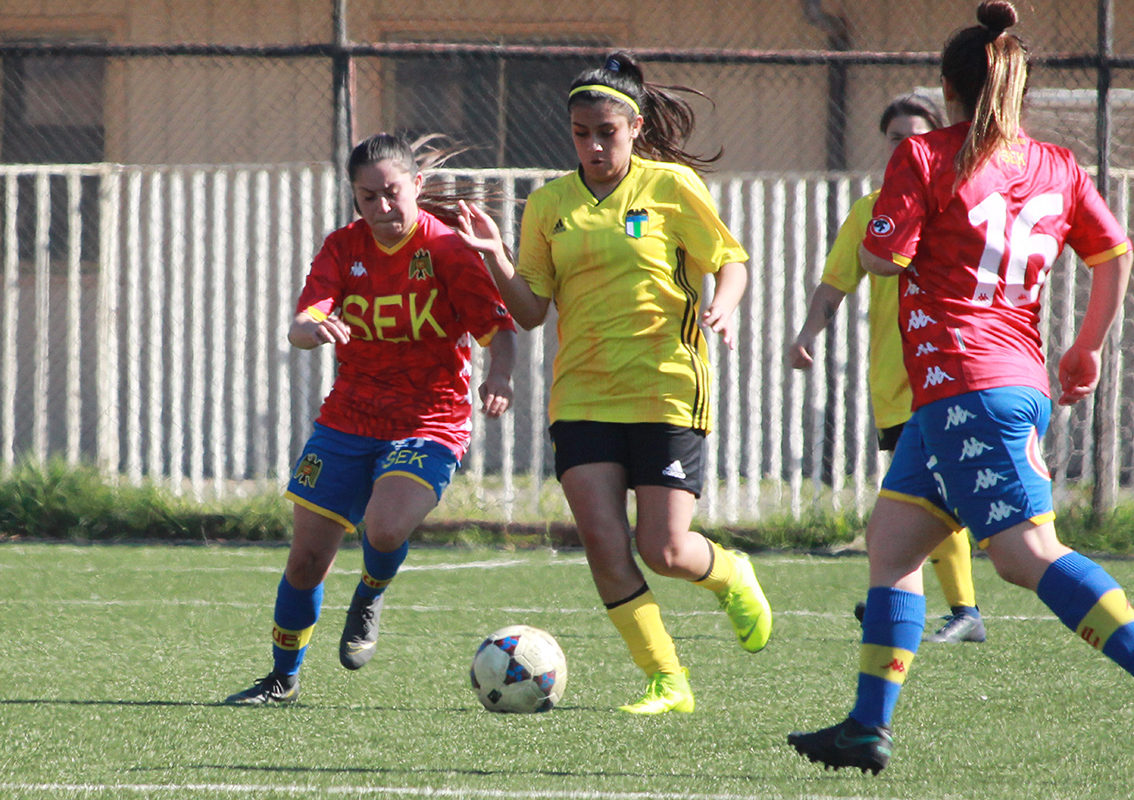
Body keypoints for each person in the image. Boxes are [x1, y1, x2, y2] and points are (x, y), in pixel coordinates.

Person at [788, 1, 1134, 774]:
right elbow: (1113, 254)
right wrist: (1087, 348)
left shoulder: (924, 156)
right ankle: (865, 728)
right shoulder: (1059, 167)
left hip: (962, 384)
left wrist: (897, 230)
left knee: (1025, 554)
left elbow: (883, 259)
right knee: (894, 543)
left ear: (946, 88)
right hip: (999, 380)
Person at [455, 51, 772, 715]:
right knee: (602, 540)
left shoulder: (672, 188)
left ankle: (730, 572)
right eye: (580, 133)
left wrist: (726, 304)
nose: (594, 145)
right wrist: (495, 259)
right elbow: (533, 311)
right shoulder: (549, 204)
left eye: (606, 131)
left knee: (665, 548)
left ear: (633, 126)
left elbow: (731, 260)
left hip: (666, 386)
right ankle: (667, 681)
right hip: (583, 395)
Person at [224, 133, 517, 704]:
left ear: (417, 187)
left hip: (429, 419)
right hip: (349, 417)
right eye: (368, 198)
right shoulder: (342, 248)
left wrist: (500, 375)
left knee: (383, 527)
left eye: (392, 194)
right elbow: (302, 324)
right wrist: (314, 330)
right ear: (354, 199)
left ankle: (372, 588)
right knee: (307, 561)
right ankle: (282, 678)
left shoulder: (449, 251)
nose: (382, 209)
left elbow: (497, 327)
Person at [790, 95, 987, 645]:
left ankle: (957, 609)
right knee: (924, 496)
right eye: (896, 137)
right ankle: (914, 602)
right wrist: (807, 334)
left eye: (916, 135)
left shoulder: (957, 203)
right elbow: (836, 284)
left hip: (945, 374)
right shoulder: (870, 211)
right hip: (894, 380)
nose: (906, 146)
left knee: (927, 496)